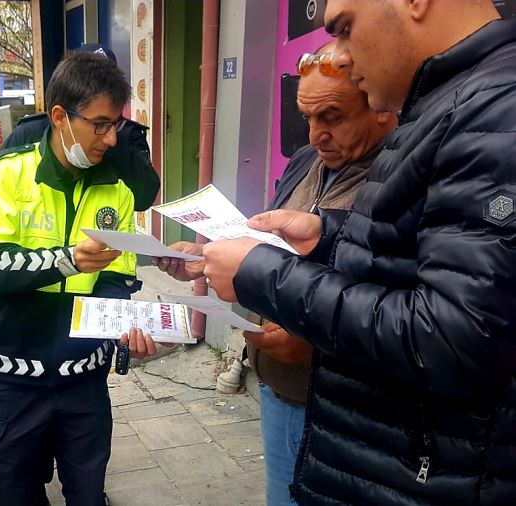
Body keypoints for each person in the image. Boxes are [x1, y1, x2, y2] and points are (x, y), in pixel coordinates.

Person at [198, 1, 516, 504]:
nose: (343, 56)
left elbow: (454, 338)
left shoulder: (493, 108)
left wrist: (264, 274)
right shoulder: (454, 105)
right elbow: (416, 260)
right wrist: (328, 234)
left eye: (345, 28)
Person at [155, 40, 397, 505]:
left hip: (345, 407)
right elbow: (272, 248)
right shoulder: (309, 161)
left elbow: (397, 303)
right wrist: (208, 258)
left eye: (332, 117)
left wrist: (309, 341)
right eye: (307, 117)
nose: (314, 136)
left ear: (381, 105)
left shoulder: (401, 180)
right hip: (279, 387)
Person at [0, 51, 161, 505]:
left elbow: (118, 277)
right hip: (8, 383)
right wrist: (68, 260)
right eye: (101, 125)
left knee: (89, 498)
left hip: (82, 385)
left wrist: (127, 324)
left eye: (116, 125)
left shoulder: (117, 189)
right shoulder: (5, 175)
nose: (111, 140)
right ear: (60, 117)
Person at [0, 43, 160, 270]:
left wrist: (116, 145)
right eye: (99, 124)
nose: (108, 136)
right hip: (26, 277)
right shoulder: (31, 132)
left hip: (93, 281)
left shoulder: (122, 138)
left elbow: (144, 197)